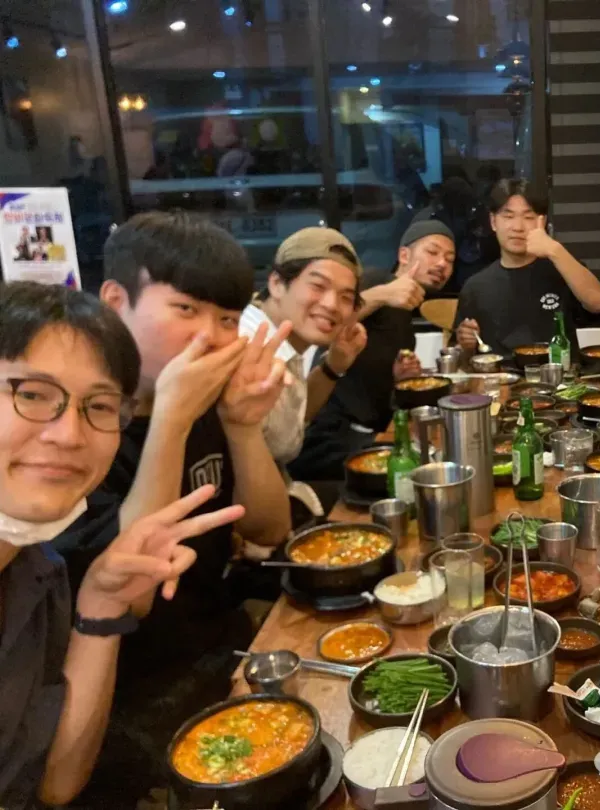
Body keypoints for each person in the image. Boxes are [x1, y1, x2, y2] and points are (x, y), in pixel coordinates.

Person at [52, 211, 292, 804]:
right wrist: (174, 418)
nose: (209, 335)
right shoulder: (71, 438)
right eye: (186, 309)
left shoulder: (206, 404)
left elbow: (269, 529)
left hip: (222, 651)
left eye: (228, 319)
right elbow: (127, 590)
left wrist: (241, 426)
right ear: (114, 302)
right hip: (125, 697)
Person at [0, 282, 243, 809]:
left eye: (99, 406)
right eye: (32, 394)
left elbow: (53, 784)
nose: (68, 434)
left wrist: (102, 604)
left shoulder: (38, 573)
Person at [287, 220, 456, 484]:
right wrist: (383, 293)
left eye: (450, 259)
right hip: (328, 436)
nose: (442, 264)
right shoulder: (377, 281)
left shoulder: (405, 321)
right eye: (432, 252)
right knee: (419, 467)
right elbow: (331, 324)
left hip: (366, 431)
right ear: (404, 255)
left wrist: (400, 378)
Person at [238, 227, 368, 466]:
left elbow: (291, 422)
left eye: (346, 297)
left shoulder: (285, 343)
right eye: (318, 286)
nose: (331, 304)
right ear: (277, 283)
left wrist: (333, 367)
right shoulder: (251, 346)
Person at [453, 179, 600, 358]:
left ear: (542, 222)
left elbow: (598, 303)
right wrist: (465, 345)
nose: (518, 227)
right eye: (508, 216)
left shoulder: (561, 268)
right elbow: (465, 360)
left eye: (528, 217)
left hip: (560, 381)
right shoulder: (475, 287)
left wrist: (554, 249)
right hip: (501, 381)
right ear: (493, 221)